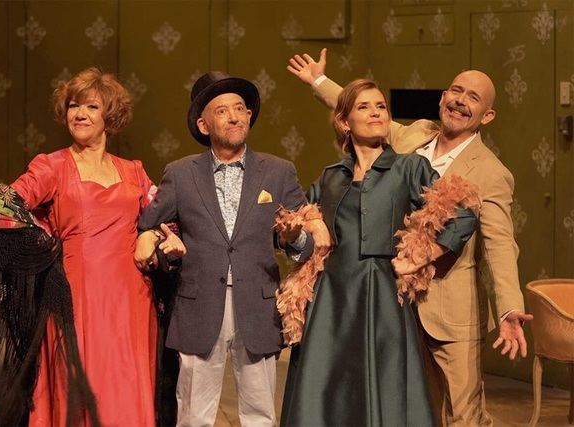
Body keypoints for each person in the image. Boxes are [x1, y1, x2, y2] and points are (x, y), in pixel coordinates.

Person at [289, 49, 532, 426]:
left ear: (487, 116)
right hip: (392, 304)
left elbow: (500, 244)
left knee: (462, 415)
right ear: (443, 97)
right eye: (456, 91)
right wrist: (318, 81)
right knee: (413, 410)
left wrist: (509, 308)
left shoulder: (490, 172)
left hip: (448, 310)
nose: (460, 101)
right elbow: (361, 111)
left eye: (473, 98)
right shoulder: (415, 136)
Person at [0, 67, 182, 426]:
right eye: (74, 106)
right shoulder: (52, 166)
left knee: (125, 385)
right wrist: (45, 249)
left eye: (91, 106)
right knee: (80, 384)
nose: (80, 114)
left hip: (131, 299)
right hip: (77, 296)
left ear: (110, 116)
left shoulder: (133, 171)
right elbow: (1, 205)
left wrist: (152, 236)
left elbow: (167, 221)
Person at [280, 78, 478, 426]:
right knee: (326, 393)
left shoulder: (409, 168)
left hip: (383, 299)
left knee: (383, 390)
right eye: (364, 107)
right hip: (331, 302)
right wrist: (305, 227)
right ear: (344, 122)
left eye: (381, 106)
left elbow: (463, 215)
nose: (376, 113)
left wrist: (422, 255)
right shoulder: (331, 177)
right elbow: (294, 234)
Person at [135, 71, 324, 427]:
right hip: (198, 305)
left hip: (258, 305)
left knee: (260, 414)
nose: (234, 117)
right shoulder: (181, 173)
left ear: (249, 116)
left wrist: (293, 238)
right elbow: (147, 226)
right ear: (203, 125)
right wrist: (163, 245)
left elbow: (306, 244)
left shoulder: (279, 172)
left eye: (240, 109)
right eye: (222, 111)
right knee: (194, 415)